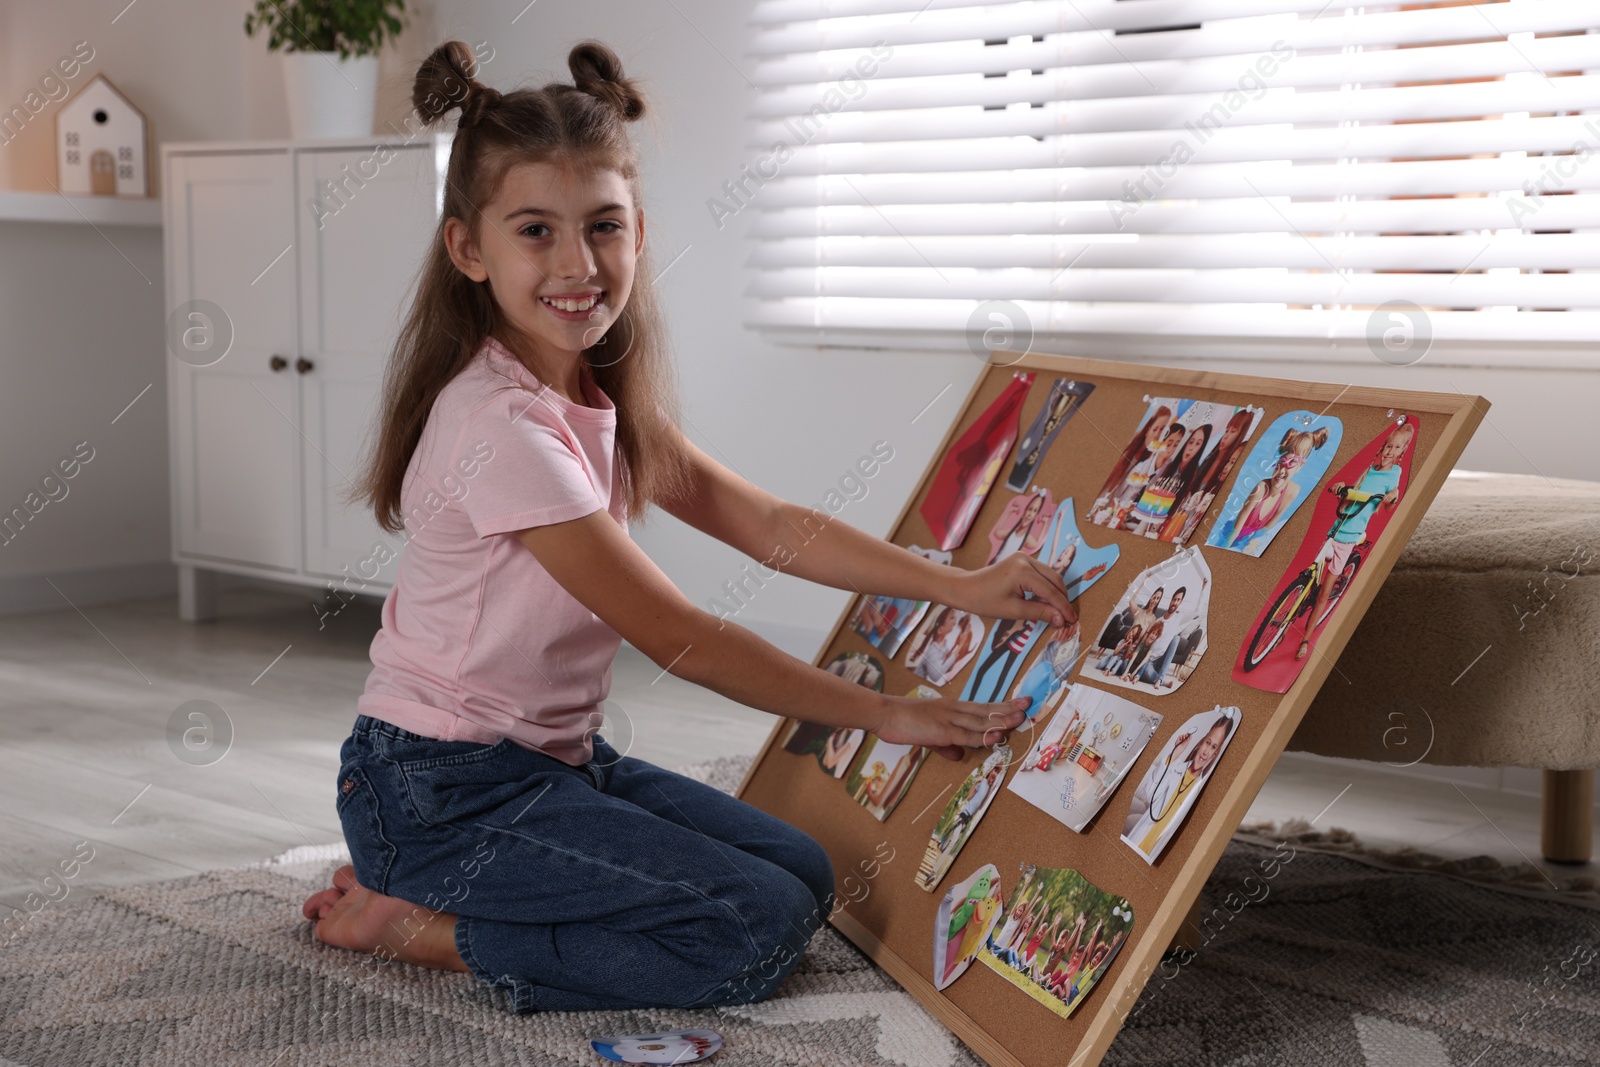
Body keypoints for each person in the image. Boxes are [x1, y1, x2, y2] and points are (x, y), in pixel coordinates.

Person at [300, 40, 1076, 1014]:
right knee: (750, 930)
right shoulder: (498, 426)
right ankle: (426, 924)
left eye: (605, 227)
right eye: (534, 230)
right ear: (469, 248)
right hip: (437, 791)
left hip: (550, 762)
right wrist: (883, 710)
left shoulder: (594, 392)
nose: (578, 264)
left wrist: (957, 582)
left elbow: (767, 522)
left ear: (640, 232)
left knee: (803, 872)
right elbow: (681, 637)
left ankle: (457, 892)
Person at [1296, 421, 1411, 661]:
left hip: (1348, 539)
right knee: (1309, 574)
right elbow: (1347, 501)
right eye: (1388, 446)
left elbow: (1390, 506)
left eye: (1396, 447)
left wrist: (1393, 496)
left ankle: (1305, 640)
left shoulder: (1395, 474)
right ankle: (1292, 609)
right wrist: (1341, 489)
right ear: (1383, 447)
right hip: (1335, 530)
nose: (1390, 451)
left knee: (1324, 593)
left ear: (1403, 451)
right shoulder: (1369, 471)